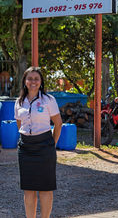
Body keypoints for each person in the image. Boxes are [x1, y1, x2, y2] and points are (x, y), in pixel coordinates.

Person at [14, 67, 62, 218]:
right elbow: (19, 124)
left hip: (45, 147)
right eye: (30, 78)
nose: (33, 81)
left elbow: (58, 123)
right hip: (25, 149)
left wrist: (51, 144)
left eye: (36, 78)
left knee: (45, 189)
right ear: (25, 81)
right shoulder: (19, 102)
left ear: (41, 82)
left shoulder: (49, 100)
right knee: (28, 189)